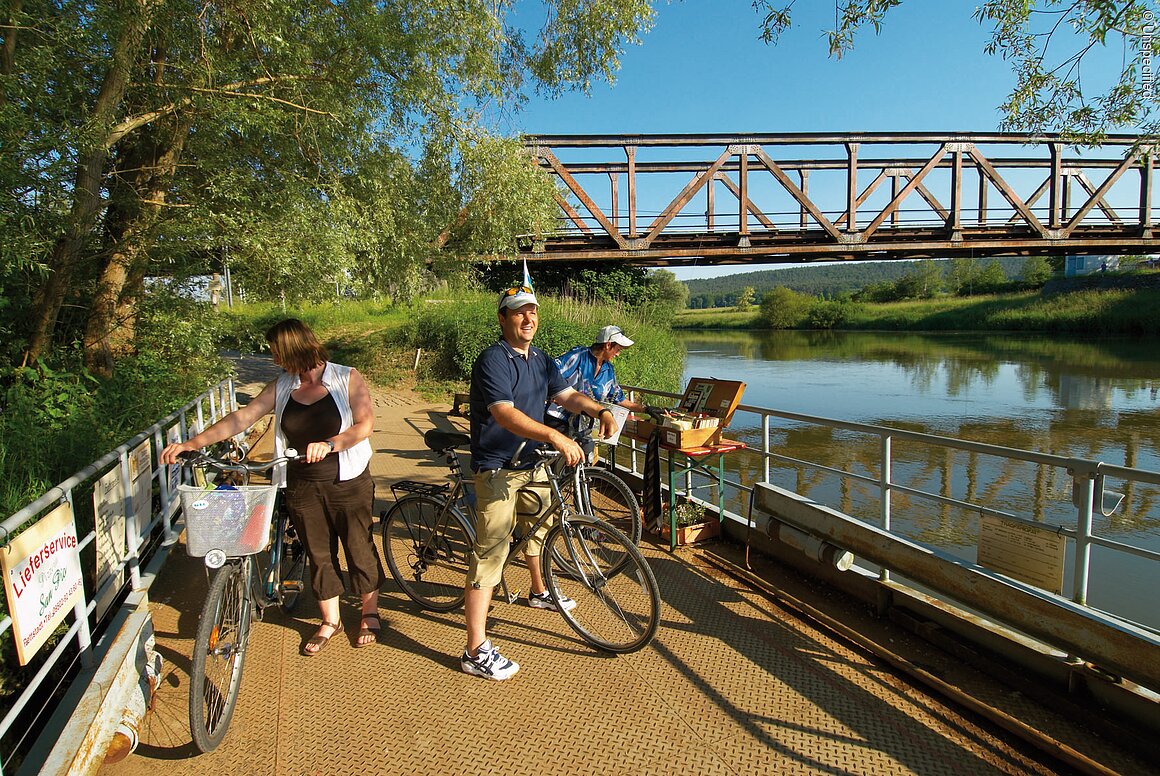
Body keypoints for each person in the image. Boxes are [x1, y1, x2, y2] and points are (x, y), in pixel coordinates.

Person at [161, 319, 385, 655]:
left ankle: (368, 611)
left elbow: (365, 425)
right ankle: (330, 621)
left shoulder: (345, 377)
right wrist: (194, 443)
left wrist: (331, 442)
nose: (275, 360)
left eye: (278, 352)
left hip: (347, 481)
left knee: (358, 546)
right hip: (301, 484)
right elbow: (243, 417)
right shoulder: (282, 386)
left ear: (295, 348)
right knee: (318, 552)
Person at [462, 286, 618, 680]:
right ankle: (475, 649)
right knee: (491, 552)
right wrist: (553, 435)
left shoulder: (542, 360)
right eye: (518, 313)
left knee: (543, 525)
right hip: (498, 466)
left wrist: (600, 409)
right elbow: (504, 414)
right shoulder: (492, 360)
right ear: (503, 319)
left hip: (530, 462)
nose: (528, 319)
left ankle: (538, 591)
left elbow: (566, 395)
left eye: (532, 312)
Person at [546, 324, 648, 433]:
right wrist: (552, 393)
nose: (618, 354)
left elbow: (619, 399)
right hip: (558, 419)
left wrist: (645, 409)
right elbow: (549, 374)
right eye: (618, 349)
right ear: (608, 345)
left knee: (586, 448)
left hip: (585, 426)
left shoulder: (608, 370)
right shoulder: (578, 356)